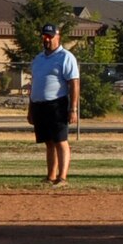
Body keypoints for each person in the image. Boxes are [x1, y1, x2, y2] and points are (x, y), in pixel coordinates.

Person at [26, 23, 80, 185]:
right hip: (39, 105)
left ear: (58, 37)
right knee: (48, 142)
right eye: (44, 36)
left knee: (60, 141)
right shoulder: (39, 58)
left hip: (57, 105)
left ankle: (62, 177)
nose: (46, 39)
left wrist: (73, 109)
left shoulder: (65, 57)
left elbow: (74, 83)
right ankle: (50, 176)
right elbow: (34, 84)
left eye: (50, 36)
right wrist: (30, 109)